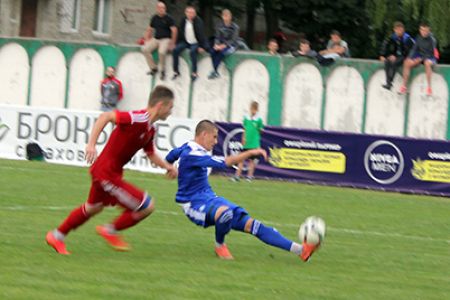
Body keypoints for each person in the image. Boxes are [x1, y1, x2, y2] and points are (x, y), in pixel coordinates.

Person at [46, 86, 178, 255]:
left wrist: (167, 167)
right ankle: (110, 230)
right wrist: (91, 144)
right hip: (106, 173)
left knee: (93, 208)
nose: (171, 111)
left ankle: (56, 236)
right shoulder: (137, 118)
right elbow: (106, 116)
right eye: (170, 107)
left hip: (108, 172)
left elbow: (150, 153)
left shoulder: (150, 129)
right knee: (146, 206)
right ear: (160, 105)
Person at [165, 120, 320, 261]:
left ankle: (301, 250)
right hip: (193, 204)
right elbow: (226, 162)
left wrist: (169, 166)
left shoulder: (188, 147)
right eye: (214, 137)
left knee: (254, 225)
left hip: (211, 198)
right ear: (204, 135)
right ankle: (220, 245)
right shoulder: (193, 153)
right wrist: (251, 153)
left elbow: (172, 154)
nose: (216, 141)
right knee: (225, 213)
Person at [398, 22, 439, 96]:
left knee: (427, 63)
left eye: (425, 30)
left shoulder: (432, 40)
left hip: (431, 57)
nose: (423, 32)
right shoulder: (418, 38)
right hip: (420, 56)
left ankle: (429, 88)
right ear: (420, 30)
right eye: (422, 30)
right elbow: (414, 49)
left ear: (429, 30)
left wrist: (421, 59)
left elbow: (432, 53)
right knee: (406, 62)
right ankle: (404, 86)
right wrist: (410, 57)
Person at [142, 1, 177, 80]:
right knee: (145, 49)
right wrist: (146, 39)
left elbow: (174, 30)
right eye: (160, 8)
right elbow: (149, 29)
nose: (162, 9)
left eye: (163, 8)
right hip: (156, 38)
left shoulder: (169, 18)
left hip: (166, 39)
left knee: (161, 52)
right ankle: (153, 68)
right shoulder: (154, 18)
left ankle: (162, 70)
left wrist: (172, 43)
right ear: (157, 9)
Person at [172, 6, 207, 81]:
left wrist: (202, 46)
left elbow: (201, 34)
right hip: (186, 41)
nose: (191, 14)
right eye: (189, 12)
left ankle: (194, 72)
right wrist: (176, 43)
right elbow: (180, 32)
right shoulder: (183, 20)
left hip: (195, 42)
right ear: (186, 13)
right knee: (175, 50)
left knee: (193, 52)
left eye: (193, 13)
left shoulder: (198, 21)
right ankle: (176, 71)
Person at [232, 101, 264, 182]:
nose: (253, 111)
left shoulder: (259, 120)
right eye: (252, 109)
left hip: (254, 143)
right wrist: (243, 138)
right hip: (246, 143)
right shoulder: (246, 118)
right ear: (250, 109)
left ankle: (249, 177)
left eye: (255, 110)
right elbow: (245, 129)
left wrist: (256, 140)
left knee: (252, 161)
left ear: (257, 110)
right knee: (241, 159)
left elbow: (261, 131)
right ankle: (237, 176)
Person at [379, 22, 415, 91]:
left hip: (406, 56)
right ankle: (388, 83)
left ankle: (390, 82)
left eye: (401, 30)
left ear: (403, 30)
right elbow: (386, 45)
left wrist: (398, 56)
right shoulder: (393, 37)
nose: (399, 32)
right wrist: (384, 55)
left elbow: (410, 51)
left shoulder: (407, 38)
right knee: (387, 61)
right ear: (394, 30)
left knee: (394, 63)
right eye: (397, 30)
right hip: (397, 55)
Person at [208, 9, 239, 79]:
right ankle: (215, 71)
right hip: (220, 44)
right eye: (224, 16)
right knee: (212, 52)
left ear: (230, 17)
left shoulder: (235, 27)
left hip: (231, 45)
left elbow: (233, 40)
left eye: (227, 16)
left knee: (222, 53)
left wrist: (223, 45)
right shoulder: (219, 25)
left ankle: (214, 71)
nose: (226, 18)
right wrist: (216, 44)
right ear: (222, 16)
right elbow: (217, 37)